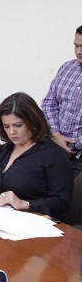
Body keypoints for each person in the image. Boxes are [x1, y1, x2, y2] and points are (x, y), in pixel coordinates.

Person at [0, 92, 72, 219]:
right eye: (6, 126)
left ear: (33, 122)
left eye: (18, 125)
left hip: (32, 220)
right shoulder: (4, 150)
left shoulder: (54, 154)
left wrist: (25, 204)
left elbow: (62, 202)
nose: (12, 132)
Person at [41, 25, 82, 176]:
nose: (79, 51)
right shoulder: (66, 68)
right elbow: (49, 104)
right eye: (76, 46)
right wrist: (56, 135)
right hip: (53, 146)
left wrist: (74, 145)